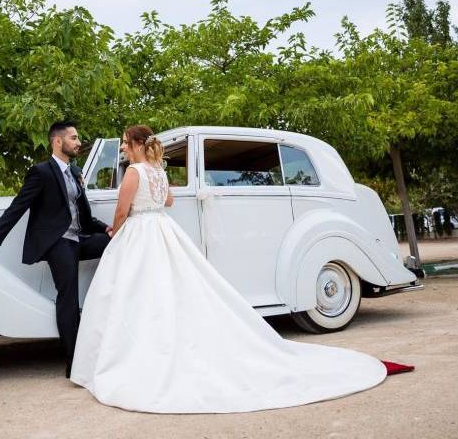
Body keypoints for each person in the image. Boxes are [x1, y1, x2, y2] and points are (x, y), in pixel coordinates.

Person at [69, 125, 387, 413]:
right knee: (167, 289)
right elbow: (167, 202)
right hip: (161, 229)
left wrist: (113, 230)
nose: (122, 148)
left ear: (136, 144)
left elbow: (122, 210)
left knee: (134, 292)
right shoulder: (158, 171)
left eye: (125, 143)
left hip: (139, 232)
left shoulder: (133, 172)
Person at [0, 120, 111, 378]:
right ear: (57, 142)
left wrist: (107, 229)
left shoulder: (75, 172)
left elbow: (84, 216)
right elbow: (18, 206)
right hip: (57, 242)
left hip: (78, 238)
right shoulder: (41, 172)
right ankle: (75, 364)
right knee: (68, 295)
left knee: (119, 242)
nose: (78, 142)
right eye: (74, 138)